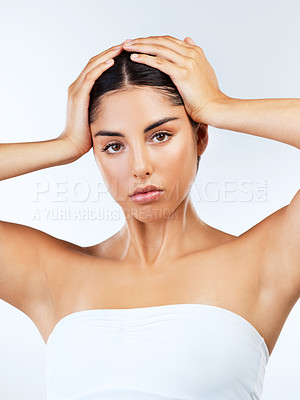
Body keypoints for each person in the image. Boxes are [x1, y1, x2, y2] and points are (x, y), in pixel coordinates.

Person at [0, 35, 299, 400]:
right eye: (113, 145)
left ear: (200, 135)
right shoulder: (51, 273)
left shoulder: (267, 259)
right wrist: (63, 146)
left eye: (160, 135)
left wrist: (219, 105)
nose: (139, 167)